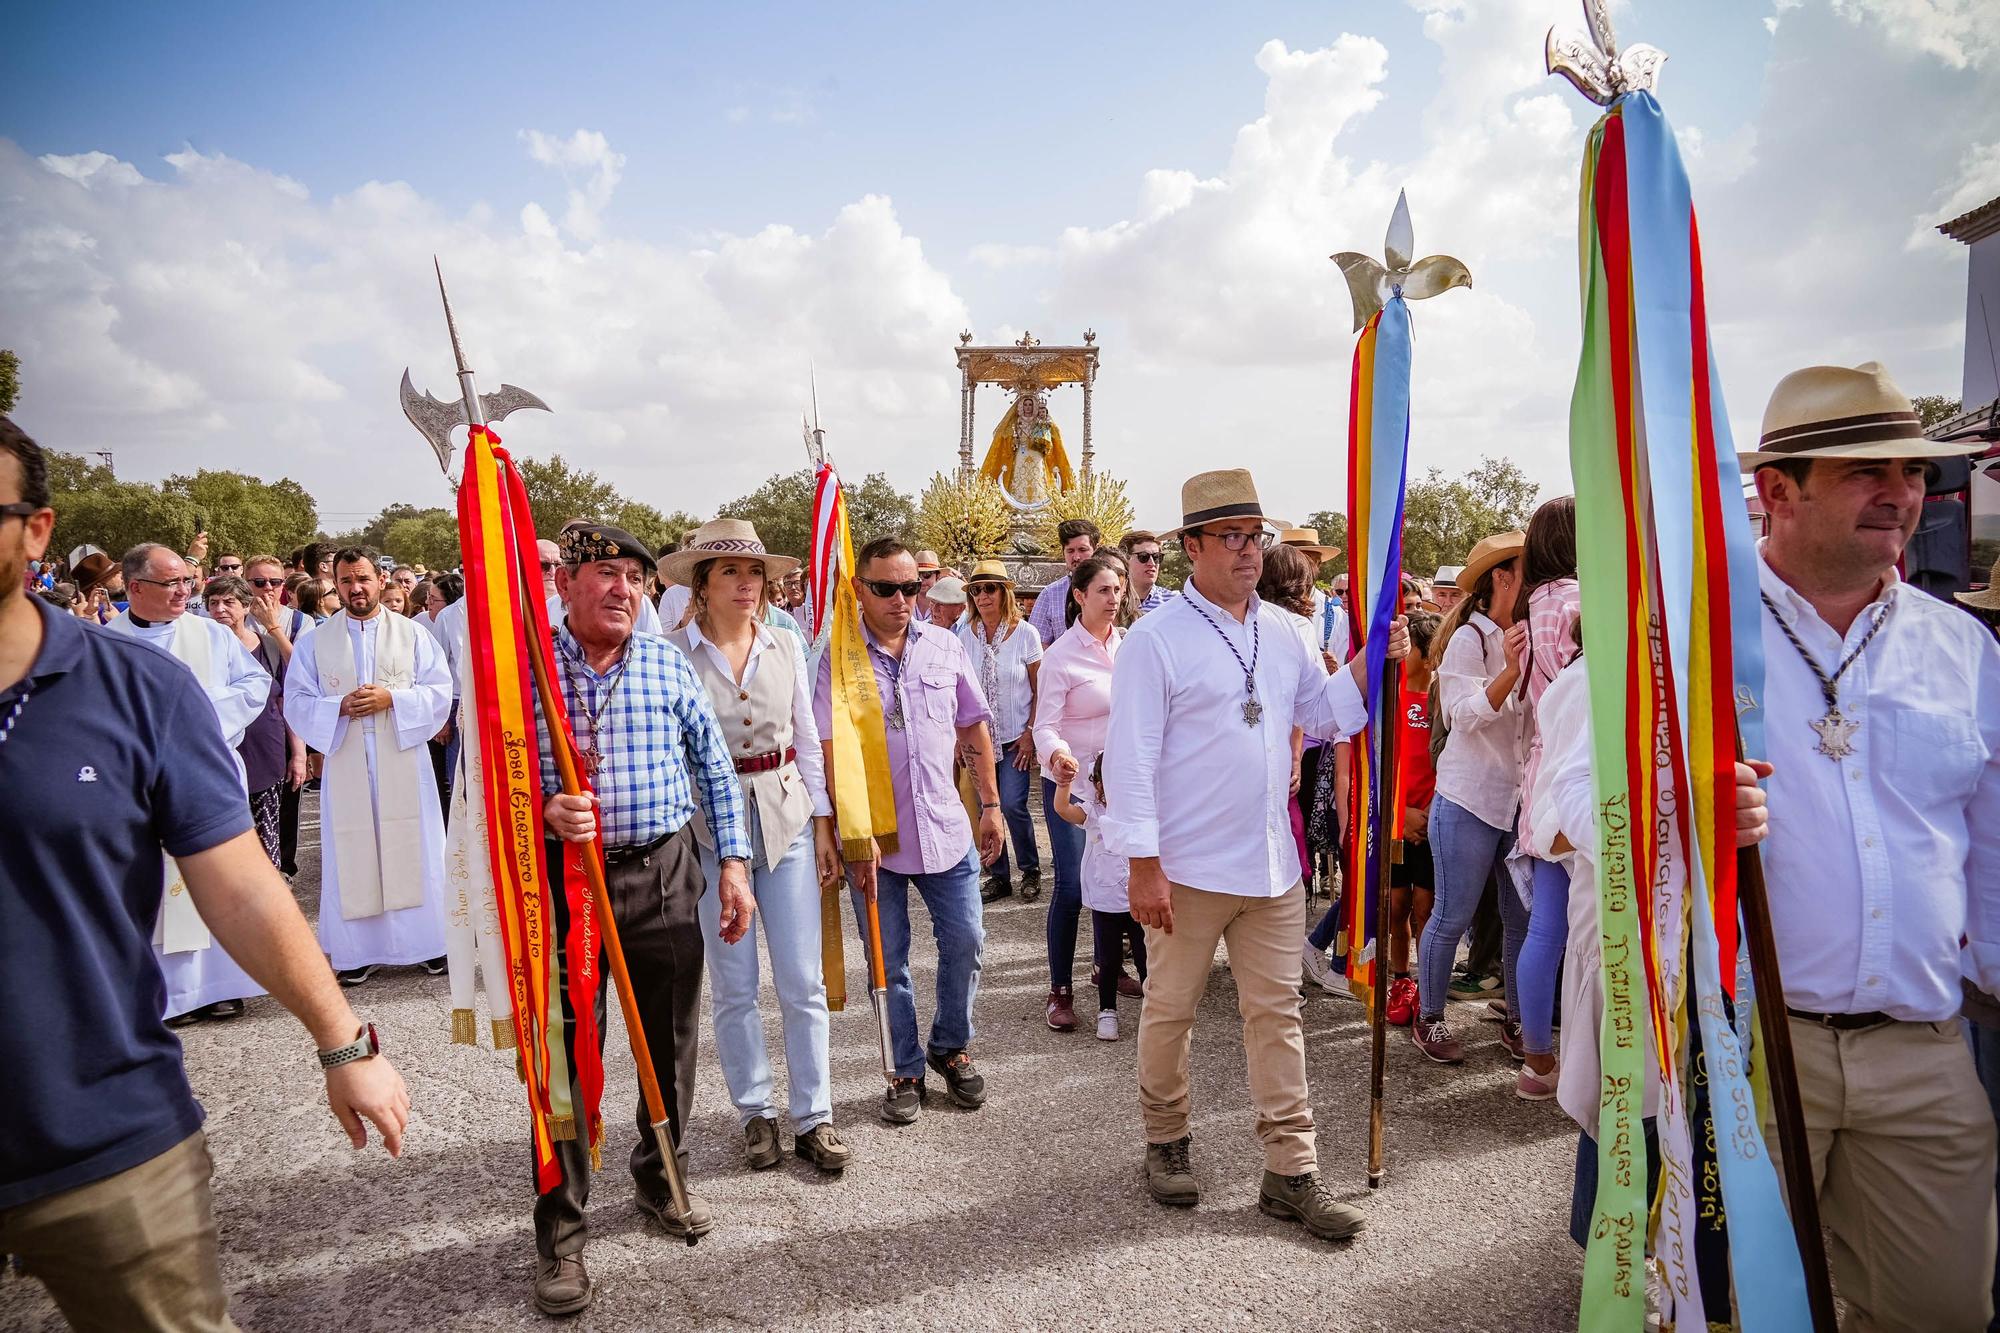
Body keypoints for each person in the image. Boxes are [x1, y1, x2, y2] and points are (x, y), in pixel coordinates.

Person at [0, 417, 408, 1330]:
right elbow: (302, 692)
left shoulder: (133, 685)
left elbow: (245, 881)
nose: (187, 591)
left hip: (93, 1122)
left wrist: (343, 1042)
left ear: (35, 530)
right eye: (172, 580)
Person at [1741, 361, 2000, 1330]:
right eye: (1862, 470)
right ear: (1776, 492)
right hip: (1756, 1052)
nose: (1900, 492)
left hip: (1925, 1055)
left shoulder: (1961, 647)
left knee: (1940, 1312)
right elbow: (1572, 792)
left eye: (1908, 469)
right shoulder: (1688, 638)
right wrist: (1672, 807)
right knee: (1757, 1312)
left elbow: (1989, 839)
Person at [1104, 468, 1406, 1241]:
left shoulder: (1288, 630)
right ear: (1192, 548)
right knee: (1171, 1012)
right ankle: (1166, 1139)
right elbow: (1130, 758)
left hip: (1272, 863)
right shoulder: (1154, 639)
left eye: (1254, 535)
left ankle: (1290, 1170)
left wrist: (1376, 658)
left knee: (1278, 1015)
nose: (1247, 551)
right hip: (1186, 868)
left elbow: (1325, 712)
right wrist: (1142, 862)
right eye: (1230, 537)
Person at [533, 520, 756, 1316]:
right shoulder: (528, 668)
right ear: (567, 584)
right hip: (565, 887)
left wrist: (732, 862)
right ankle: (561, 1232)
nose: (623, 589)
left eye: (635, 576)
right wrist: (541, 810)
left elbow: (714, 765)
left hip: (663, 870)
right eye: (605, 573)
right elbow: (488, 784)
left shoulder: (666, 659)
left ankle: (661, 1174)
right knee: (565, 1053)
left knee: (668, 1037)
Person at [659, 520, 850, 1175]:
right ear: (702, 585)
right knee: (735, 985)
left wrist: (823, 823)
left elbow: (806, 736)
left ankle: (815, 1116)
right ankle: (755, 1113)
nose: (747, 585)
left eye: (755, 574)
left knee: (802, 979)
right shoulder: (672, 654)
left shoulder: (785, 646)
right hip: (710, 830)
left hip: (786, 812)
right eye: (731, 574)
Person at [815, 536, 1005, 1126]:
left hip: (946, 829)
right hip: (874, 840)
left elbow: (973, 729)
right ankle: (903, 1067)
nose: (902, 599)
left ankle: (950, 1047)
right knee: (886, 960)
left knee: (968, 943)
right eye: (886, 588)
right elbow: (825, 749)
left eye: (911, 587)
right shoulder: (835, 660)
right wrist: (846, 826)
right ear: (859, 590)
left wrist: (993, 806)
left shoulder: (946, 647)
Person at [106, 544, 275, 1025]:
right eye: (171, 583)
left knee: (217, 873)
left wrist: (194, 718)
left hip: (205, 771)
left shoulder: (210, 634)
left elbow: (254, 686)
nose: (185, 591)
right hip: (138, 783)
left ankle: (223, 983)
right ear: (135, 588)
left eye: (187, 581)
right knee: (155, 881)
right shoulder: (106, 641)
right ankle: (170, 993)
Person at [283, 546, 454, 986]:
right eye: (345, 581)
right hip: (345, 758)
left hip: (403, 753)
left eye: (362, 579)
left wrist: (392, 698)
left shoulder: (413, 633)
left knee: (415, 845)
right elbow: (297, 699)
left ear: (381, 580)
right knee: (351, 848)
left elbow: (439, 688)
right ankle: (356, 951)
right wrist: (337, 707)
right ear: (335, 586)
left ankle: (430, 945)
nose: (355, 588)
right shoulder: (316, 641)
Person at [1409, 531, 1529, 1065]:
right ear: (1502, 578)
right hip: (1468, 799)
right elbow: (1462, 716)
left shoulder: (1529, 634)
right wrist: (1510, 671)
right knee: (1452, 915)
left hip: (1518, 799)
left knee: (1521, 920)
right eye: (1529, 574)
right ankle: (1429, 1017)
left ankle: (1521, 1020)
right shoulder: (1468, 641)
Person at [1032, 554, 1127, 1032]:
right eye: (1103, 591)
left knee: (1121, 875)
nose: (1113, 599)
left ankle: (1109, 967)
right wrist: (1059, 757)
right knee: (1072, 883)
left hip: (1121, 786)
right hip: (1071, 785)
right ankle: (1060, 989)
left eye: (1118, 589)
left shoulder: (1131, 647)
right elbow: (1043, 726)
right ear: (1080, 596)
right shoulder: (1061, 655)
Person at [1508, 497, 1579, 1100]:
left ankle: (1537, 1059)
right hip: (1589, 774)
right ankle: (1585, 1059)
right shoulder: (1585, 603)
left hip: (1542, 774)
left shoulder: (1529, 608)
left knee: (1547, 928)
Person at [204, 573, 309, 954]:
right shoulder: (201, 648)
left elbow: (288, 701)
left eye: (228, 603)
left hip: (265, 746)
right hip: (218, 753)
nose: (220, 610)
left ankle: (269, 926)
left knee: (267, 838)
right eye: (213, 603)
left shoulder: (264, 645)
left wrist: (297, 753)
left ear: (246, 607)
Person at [957, 559, 1043, 903]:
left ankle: (1031, 868)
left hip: (1012, 740)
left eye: (990, 588)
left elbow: (1040, 689)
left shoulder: (1026, 634)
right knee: (984, 808)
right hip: (979, 742)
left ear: (1005, 593)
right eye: (976, 590)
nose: (983, 596)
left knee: (1012, 803)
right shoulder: (965, 635)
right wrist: (956, 739)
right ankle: (999, 874)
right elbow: (957, 691)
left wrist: (1031, 732)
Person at [1054, 753, 1145, 1041]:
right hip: (1105, 901)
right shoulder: (1094, 812)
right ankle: (1107, 1010)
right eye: (1105, 782)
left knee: (1147, 957)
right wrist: (1063, 783)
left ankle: (1155, 1011)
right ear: (1098, 784)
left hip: (1138, 900)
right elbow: (1062, 809)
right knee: (1109, 960)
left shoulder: (1141, 810)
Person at [1029, 519, 1100, 647]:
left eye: (1083, 550)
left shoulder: (1110, 590)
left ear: (1096, 550)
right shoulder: (1049, 594)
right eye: (1070, 551)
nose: (1076, 557)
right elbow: (1037, 647)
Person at [1121, 529, 1175, 619]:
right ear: (1125, 560)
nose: (1152, 563)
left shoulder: (1172, 602)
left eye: (1156, 557)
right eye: (1143, 557)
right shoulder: (1113, 601)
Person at [914, 549, 943, 619]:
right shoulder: (904, 603)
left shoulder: (946, 606)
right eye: (917, 575)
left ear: (937, 576)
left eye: (926, 574)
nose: (921, 580)